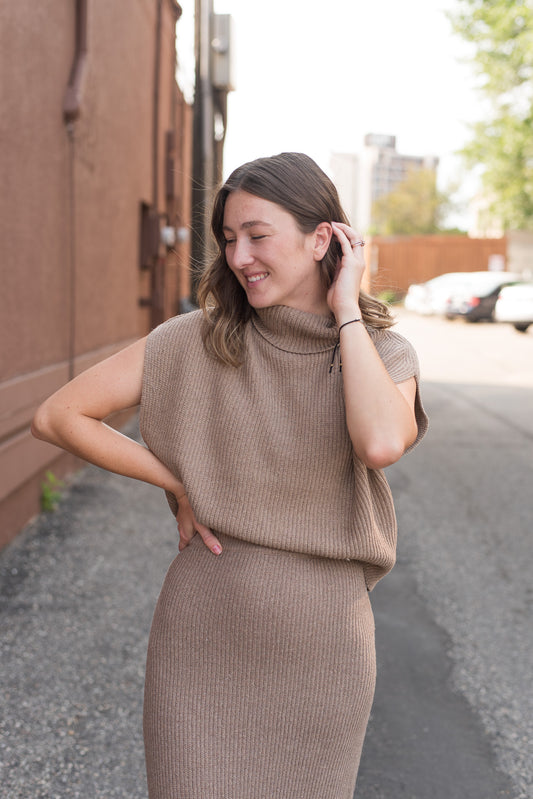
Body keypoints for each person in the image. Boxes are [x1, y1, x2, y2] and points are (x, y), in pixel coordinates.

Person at [32, 152, 428, 798]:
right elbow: (58, 415)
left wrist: (346, 310)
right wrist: (175, 479)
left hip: (323, 657)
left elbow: (381, 440)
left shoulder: (381, 354)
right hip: (203, 645)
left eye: (256, 235)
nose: (238, 256)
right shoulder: (195, 339)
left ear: (322, 237)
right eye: (227, 239)